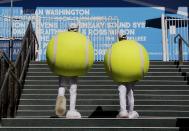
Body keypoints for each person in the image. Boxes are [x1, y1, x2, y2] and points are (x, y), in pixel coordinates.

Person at [55, 23, 81, 118]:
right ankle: (71, 110)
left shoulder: (62, 38)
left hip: (63, 66)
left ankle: (60, 97)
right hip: (74, 66)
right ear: (77, 29)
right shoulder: (79, 39)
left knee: (62, 86)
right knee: (73, 88)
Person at [116, 32, 139, 119]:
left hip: (120, 73)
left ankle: (123, 111)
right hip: (130, 73)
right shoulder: (131, 47)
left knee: (122, 92)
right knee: (130, 92)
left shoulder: (116, 47)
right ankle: (131, 111)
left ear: (119, 38)